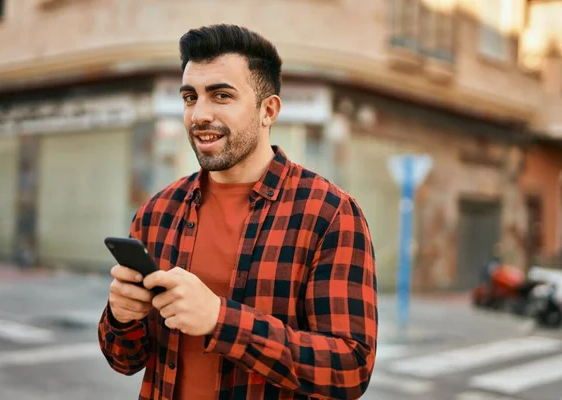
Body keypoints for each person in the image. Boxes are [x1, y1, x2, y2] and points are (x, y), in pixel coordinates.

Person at [98, 24, 378, 400]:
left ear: (269, 110)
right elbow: (124, 360)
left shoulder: (329, 214)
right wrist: (121, 317)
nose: (199, 114)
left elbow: (349, 370)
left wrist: (220, 320)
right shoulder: (157, 211)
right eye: (189, 97)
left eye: (221, 96)